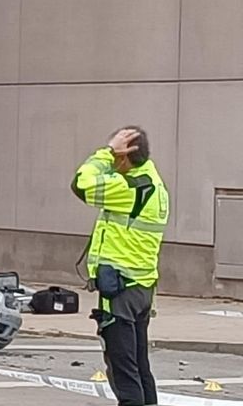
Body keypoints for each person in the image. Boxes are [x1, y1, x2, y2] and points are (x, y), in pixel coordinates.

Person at [71, 126, 170, 406]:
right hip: (141, 286)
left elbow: (81, 183)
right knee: (139, 368)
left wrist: (106, 152)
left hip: (122, 290)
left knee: (124, 374)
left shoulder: (129, 186)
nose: (112, 164)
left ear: (124, 157)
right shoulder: (152, 180)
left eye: (116, 156)